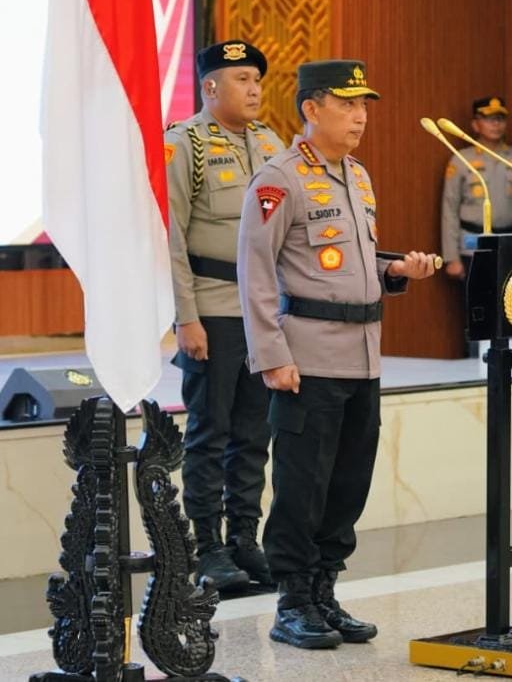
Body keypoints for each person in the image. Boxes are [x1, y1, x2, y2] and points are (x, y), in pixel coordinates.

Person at [237, 60, 436, 649]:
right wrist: (271, 355)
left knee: (348, 485)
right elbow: (256, 272)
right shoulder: (279, 179)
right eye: (347, 104)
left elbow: (353, 263)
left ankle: (324, 592)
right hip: (308, 360)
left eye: (364, 105)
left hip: (363, 356)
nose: (360, 116)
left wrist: (395, 270)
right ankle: (292, 602)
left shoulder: (358, 176)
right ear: (311, 108)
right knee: (303, 485)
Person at [163, 40, 285, 591]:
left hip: (263, 312)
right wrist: (185, 317)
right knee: (210, 434)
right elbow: (170, 238)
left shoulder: (270, 143)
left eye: (257, 79)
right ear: (210, 86)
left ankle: (244, 540)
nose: (255, 89)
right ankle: (207, 548)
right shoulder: (184, 144)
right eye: (242, 79)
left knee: (255, 434)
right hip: (211, 309)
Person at [440, 96, 512, 279]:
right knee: (478, 297)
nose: (496, 124)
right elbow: (449, 209)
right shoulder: (461, 160)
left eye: (500, 118)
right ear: (475, 125)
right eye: (489, 119)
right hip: (473, 245)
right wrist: (451, 257)